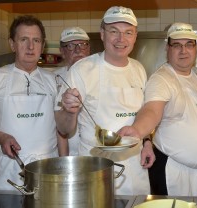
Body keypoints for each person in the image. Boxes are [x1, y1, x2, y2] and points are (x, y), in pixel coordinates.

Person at [55, 6, 154, 195]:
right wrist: (68, 111)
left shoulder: (139, 69)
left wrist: (147, 142)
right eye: (114, 31)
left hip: (135, 166)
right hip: (96, 168)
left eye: (128, 33)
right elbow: (64, 129)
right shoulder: (83, 70)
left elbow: (143, 113)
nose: (121, 39)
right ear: (102, 34)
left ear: (135, 36)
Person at [118, 22, 197, 197]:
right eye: (177, 45)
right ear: (167, 48)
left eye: (189, 44)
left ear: (196, 48)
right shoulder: (162, 79)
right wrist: (137, 129)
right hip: (177, 174)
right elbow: (152, 110)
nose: (183, 51)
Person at [0, 15, 58, 191]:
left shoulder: (53, 80)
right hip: (10, 169)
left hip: (48, 168)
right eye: (24, 39)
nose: (30, 47)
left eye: (36, 40)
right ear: (12, 44)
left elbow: (62, 129)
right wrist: (1, 137)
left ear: (42, 45)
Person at [55, 27, 91, 156]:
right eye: (70, 46)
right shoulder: (55, 80)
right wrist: (64, 162)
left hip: (94, 153)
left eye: (82, 45)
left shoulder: (100, 76)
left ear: (89, 49)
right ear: (62, 51)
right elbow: (58, 127)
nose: (78, 50)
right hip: (67, 154)